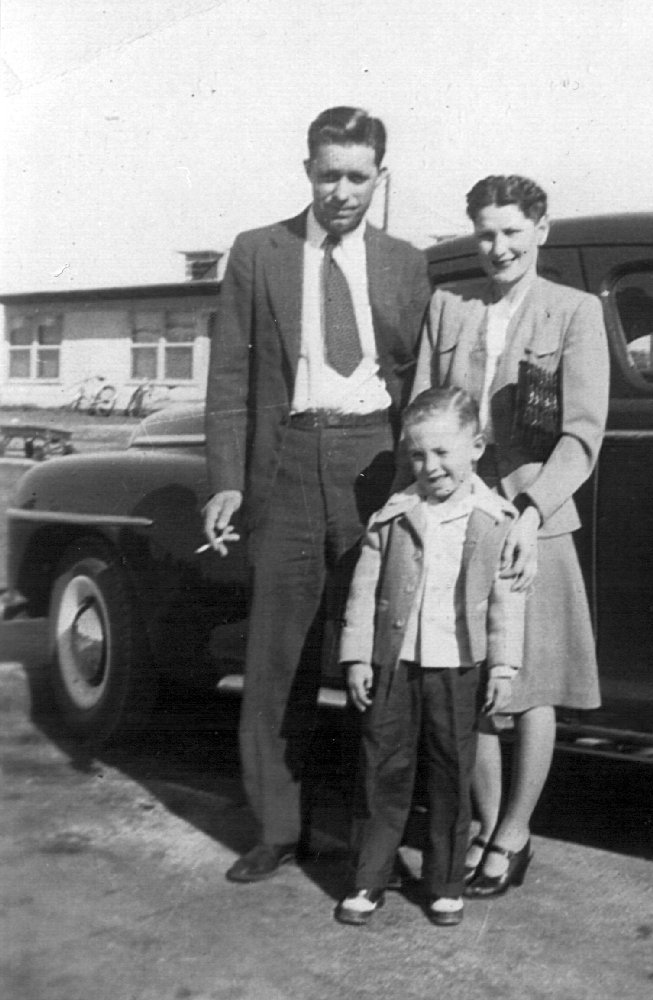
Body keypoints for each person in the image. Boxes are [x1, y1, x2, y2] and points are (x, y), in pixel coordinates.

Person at [203, 106, 431, 883]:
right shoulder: (257, 253)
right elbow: (231, 377)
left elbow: (418, 378)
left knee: (382, 654)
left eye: (358, 176)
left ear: (380, 178)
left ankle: (377, 843)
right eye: (328, 173)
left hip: (376, 462)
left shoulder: (406, 262)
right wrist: (228, 482)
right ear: (307, 170)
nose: (341, 190)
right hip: (289, 463)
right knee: (280, 657)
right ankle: (276, 827)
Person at [412, 175, 609, 898]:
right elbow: (424, 413)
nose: (498, 248)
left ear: (540, 231)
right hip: (463, 520)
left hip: (534, 522)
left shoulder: (575, 312)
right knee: (471, 683)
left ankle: (513, 835)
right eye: (486, 234)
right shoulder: (450, 309)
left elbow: (582, 433)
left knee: (533, 687)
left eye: (512, 234)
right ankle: (486, 823)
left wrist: (528, 511)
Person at [335, 387, 525, 927]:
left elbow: (504, 603)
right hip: (396, 665)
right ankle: (369, 878)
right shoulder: (394, 515)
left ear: (477, 447)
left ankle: (445, 882)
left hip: (459, 666)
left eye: (443, 452)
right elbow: (364, 593)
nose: (431, 466)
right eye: (417, 455)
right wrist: (358, 658)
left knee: (450, 771)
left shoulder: (493, 518)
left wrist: (503, 667)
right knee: (383, 768)